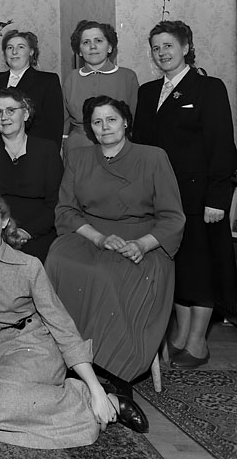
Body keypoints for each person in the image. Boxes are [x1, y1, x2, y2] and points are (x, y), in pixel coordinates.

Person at [0, 189, 149, 448]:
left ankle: (94, 398)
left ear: (4, 222)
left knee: (4, 397)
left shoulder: (29, 265)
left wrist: (95, 388)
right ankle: (50, 405)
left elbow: (61, 326)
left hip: (33, 345)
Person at [45, 96, 185, 396]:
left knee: (108, 276)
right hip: (91, 236)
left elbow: (173, 218)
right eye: (97, 122)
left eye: (111, 119)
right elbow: (66, 211)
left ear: (125, 122)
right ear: (90, 128)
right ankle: (66, 358)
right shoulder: (79, 158)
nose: (105, 127)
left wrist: (142, 245)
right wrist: (98, 238)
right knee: (57, 259)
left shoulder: (153, 157)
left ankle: (111, 371)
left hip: (142, 241)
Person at [133, 20, 237, 369]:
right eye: (156, 47)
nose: (162, 53)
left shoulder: (209, 88)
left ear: (186, 47)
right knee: (175, 265)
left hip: (199, 197)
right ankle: (179, 335)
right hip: (160, 196)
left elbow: (222, 146)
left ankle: (198, 341)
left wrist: (217, 199)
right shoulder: (148, 92)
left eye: (168, 46)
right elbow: (141, 147)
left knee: (201, 266)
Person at [0, 87, 63, 262]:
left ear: (25, 114)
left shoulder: (47, 149)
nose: (4, 117)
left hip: (38, 229)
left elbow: (56, 202)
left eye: (10, 110)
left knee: (32, 259)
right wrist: (0, 226)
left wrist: (27, 231)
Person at [0, 29, 63, 148]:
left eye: (20, 47)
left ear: (31, 52)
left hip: (33, 151)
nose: (14, 52)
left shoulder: (48, 81)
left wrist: (48, 155)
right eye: (9, 47)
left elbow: (53, 126)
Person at [62, 20, 139, 154]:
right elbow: (63, 119)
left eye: (98, 41)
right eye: (86, 42)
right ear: (79, 51)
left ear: (109, 47)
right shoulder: (71, 78)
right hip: (78, 148)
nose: (92, 46)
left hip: (118, 147)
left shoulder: (127, 77)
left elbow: (136, 117)